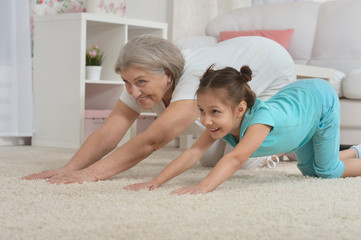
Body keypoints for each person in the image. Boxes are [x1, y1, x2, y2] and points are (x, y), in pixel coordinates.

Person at [22, 34, 296, 184]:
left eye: (140, 82)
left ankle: (284, 145)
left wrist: (92, 174)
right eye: (127, 83)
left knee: (245, 160)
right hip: (239, 66)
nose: (133, 92)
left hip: (271, 69)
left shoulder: (194, 80)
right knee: (210, 160)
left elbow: (153, 139)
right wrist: (69, 168)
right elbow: (111, 129)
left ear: (167, 75)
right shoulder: (140, 79)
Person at [124, 65, 361, 195]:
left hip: (319, 102)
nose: (206, 120)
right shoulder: (220, 122)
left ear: (240, 109)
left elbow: (236, 158)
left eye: (214, 111)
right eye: (201, 110)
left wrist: (203, 186)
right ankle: (356, 151)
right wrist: (156, 181)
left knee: (327, 171)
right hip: (299, 104)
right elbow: (192, 153)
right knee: (310, 170)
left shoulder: (259, 122)